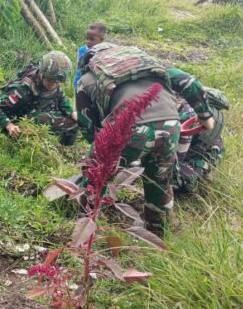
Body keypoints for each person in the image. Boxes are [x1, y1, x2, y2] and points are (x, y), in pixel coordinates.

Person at [75, 43, 215, 236]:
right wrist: (205, 116)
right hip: (170, 126)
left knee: (94, 177)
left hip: (127, 130)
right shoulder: (146, 63)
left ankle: (86, 230)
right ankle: (157, 236)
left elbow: (88, 128)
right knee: (159, 183)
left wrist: (106, 151)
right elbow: (188, 82)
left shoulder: (86, 79)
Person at [0, 51, 78, 146]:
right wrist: (9, 125)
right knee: (45, 118)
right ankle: (22, 145)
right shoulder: (22, 89)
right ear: (42, 74)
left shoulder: (54, 84)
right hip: (18, 125)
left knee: (73, 122)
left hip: (36, 116)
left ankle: (63, 148)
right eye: (50, 80)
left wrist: (72, 113)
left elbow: (62, 100)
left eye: (57, 82)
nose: (53, 84)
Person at [173, 83, 227, 193]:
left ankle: (202, 174)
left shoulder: (187, 114)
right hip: (196, 144)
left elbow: (175, 160)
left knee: (175, 182)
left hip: (197, 154)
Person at [73, 22, 107, 89]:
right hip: (80, 82)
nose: (88, 41)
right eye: (87, 38)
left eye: (92, 39)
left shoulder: (104, 51)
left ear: (101, 40)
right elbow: (79, 68)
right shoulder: (82, 50)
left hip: (95, 84)